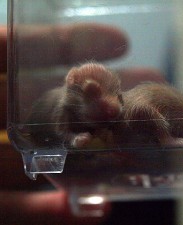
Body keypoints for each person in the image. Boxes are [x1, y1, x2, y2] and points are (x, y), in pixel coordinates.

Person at [0, 23, 164, 224]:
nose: (112, 108)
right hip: (52, 157)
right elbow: (58, 132)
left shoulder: (107, 117)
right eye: (93, 92)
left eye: (117, 97)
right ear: (72, 83)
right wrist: (74, 139)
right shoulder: (58, 107)